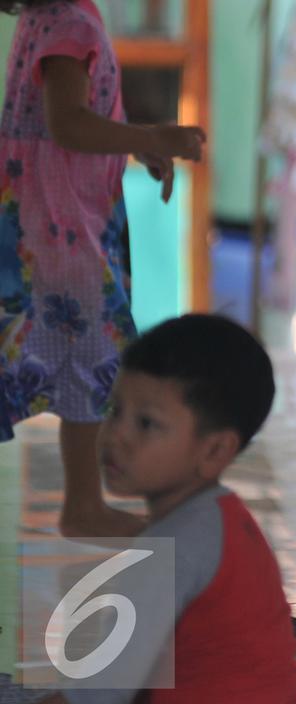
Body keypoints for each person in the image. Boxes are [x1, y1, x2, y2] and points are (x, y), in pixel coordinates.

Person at [0, 0, 205, 537]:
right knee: (81, 350)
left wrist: (138, 143)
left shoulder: (57, 17)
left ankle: (84, 504)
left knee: (82, 356)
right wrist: (150, 139)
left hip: (58, 219)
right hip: (58, 229)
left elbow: (78, 122)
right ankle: (85, 505)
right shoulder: (68, 23)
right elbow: (66, 125)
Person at [30, 314, 296, 704]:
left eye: (146, 423)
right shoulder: (225, 518)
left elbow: (98, 695)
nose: (116, 434)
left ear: (214, 452)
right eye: (114, 410)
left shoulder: (168, 548)